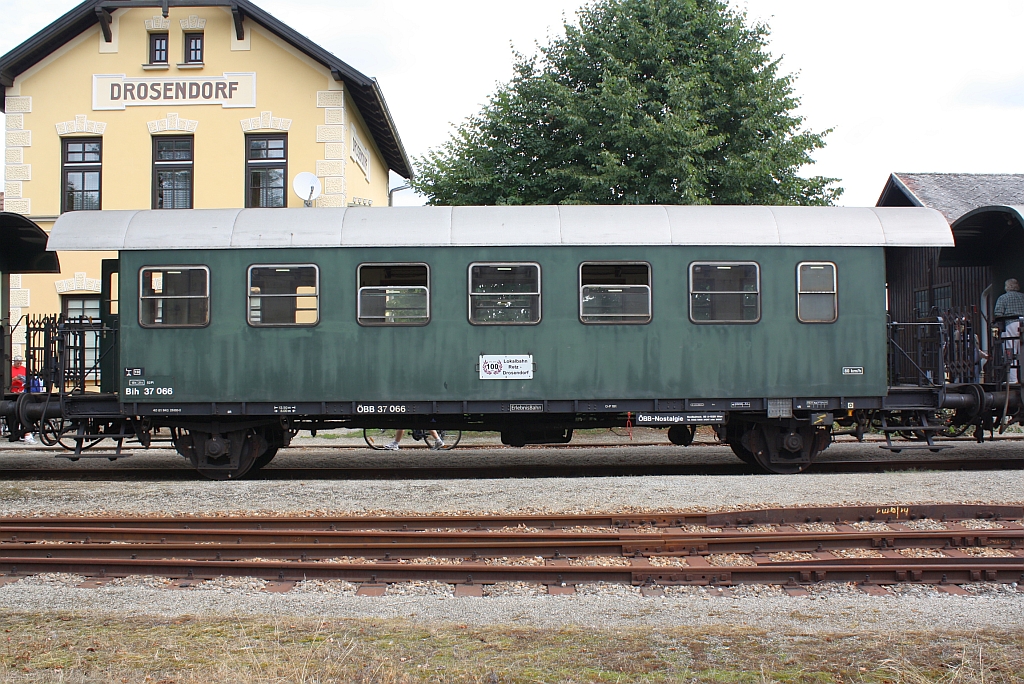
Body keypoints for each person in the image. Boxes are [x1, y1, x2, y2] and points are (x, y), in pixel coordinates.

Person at [994, 278, 1024, 383]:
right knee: (1021, 351)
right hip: (1023, 323)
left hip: (1010, 324)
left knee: (1010, 351)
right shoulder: (1022, 297)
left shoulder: (1003, 298)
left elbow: (998, 313)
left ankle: (1012, 379)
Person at [8, 356, 37, 445]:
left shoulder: (24, 369)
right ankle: (14, 432)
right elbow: (7, 380)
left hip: (22, 391)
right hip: (12, 392)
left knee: (21, 412)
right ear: (14, 362)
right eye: (18, 363)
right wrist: (14, 379)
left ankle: (23, 433)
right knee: (12, 413)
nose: (19, 364)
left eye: (20, 363)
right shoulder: (10, 369)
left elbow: (29, 379)